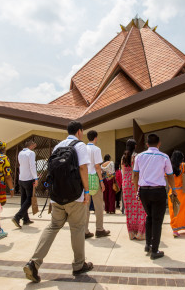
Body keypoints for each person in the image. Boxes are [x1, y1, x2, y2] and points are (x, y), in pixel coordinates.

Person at [23, 120, 94, 282]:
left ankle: (34, 263)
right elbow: (83, 168)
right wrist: (87, 192)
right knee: (77, 228)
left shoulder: (58, 146)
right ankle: (78, 265)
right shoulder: (80, 145)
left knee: (53, 226)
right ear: (79, 132)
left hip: (56, 196)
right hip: (75, 196)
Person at [133, 133, 175, 259]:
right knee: (157, 220)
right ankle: (155, 250)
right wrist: (174, 189)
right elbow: (170, 175)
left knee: (149, 217)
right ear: (159, 143)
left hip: (144, 191)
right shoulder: (164, 157)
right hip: (158, 191)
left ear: (147, 144)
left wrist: (137, 190)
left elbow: (135, 175)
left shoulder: (139, 156)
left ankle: (148, 244)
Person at [116, 140, 145, 241]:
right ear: (135, 146)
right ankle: (140, 232)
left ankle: (131, 233)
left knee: (129, 210)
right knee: (140, 209)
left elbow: (123, 172)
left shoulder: (123, 157)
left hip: (126, 184)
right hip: (135, 183)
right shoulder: (136, 156)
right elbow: (137, 172)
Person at [84, 130, 110, 238]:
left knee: (85, 205)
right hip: (94, 178)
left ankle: (85, 230)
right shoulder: (96, 149)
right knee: (98, 205)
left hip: (85, 179)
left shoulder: (83, 149)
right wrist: (101, 181)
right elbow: (97, 166)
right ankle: (99, 229)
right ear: (95, 138)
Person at [11, 139, 37, 230]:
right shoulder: (31, 153)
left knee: (23, 199)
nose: (34, 146)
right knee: (29, 199)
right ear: (31, 145)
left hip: (21, 178)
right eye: (34, 145)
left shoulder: (20, 153)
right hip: (29, 179)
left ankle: (25, 219)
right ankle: (17, 217)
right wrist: (36, 178)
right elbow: (32, 166)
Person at [168, 150, 185, 237]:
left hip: (173, 191)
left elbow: (167, 178)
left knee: (174, 211)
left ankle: (175, 230)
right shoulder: (184, 166)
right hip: (184, 192)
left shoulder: (169, 167)